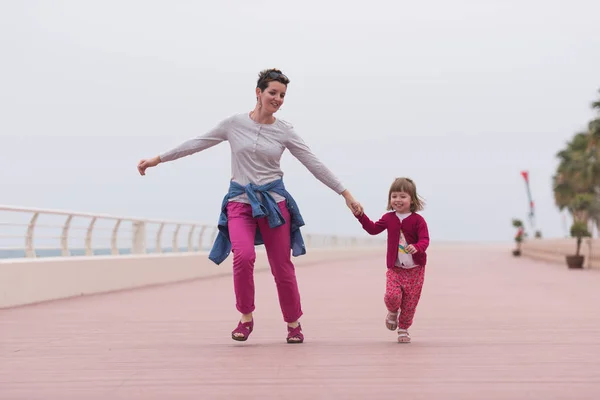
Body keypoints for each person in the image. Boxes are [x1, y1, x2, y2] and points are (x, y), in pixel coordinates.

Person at [137, 68, 363, 344]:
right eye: (273, 93)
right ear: (258, 92)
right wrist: (158, 159)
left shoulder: (285, 132)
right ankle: (246, 317)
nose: (278, 99)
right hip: (239, 202)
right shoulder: (234, 124)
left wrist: (345, 193)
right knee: (243, 257)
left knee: (282, 266)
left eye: (282, 95)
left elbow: (313, 163)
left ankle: (293, 324)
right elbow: (198, 142)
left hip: (274, 205)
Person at [353, 177, 429, 343]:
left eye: (403, 196)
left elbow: (425, 240)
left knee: (410, 303)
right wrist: (360, 216)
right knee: (392, 295)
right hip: (395, 268)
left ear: (412, 199)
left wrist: (417, 247)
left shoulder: (418, 220)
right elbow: (372, 229)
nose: (398, 200)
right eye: (394, 196)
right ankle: (392, 312)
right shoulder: (389, 218)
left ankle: (403, 329)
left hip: (415, 269)